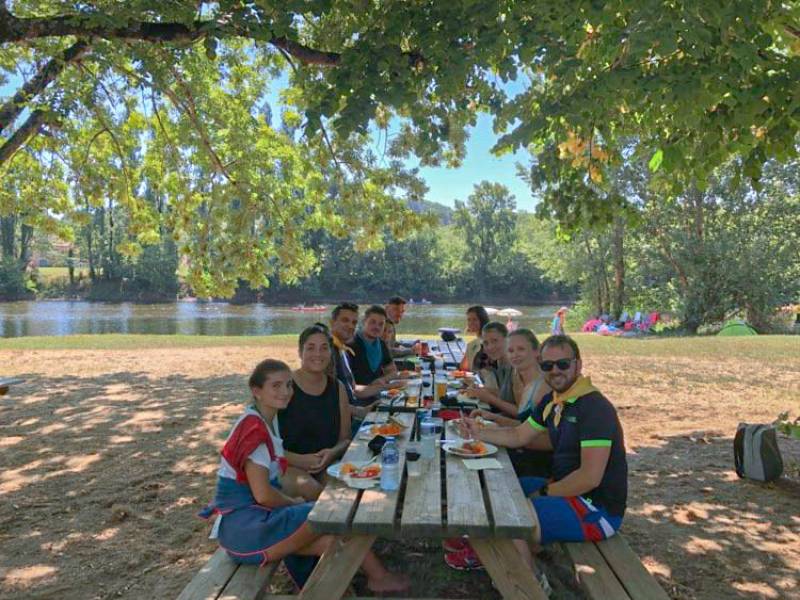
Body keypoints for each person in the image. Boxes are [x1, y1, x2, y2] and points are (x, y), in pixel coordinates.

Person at [199, 358, 408, 592]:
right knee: (334, 512)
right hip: (247, 531)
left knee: (332, 537)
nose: (285, 392)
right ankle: (375, 578)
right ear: (256, 391)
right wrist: (292, 502)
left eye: (288, 385)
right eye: (275, 386)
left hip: (245, 528)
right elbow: (264, 496)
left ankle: (347, 584)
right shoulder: (254, 432)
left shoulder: (262, 419)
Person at [457, 335, 627, 569]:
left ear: (578, 364)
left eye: (563, 364)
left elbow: (589, 478)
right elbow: (519, 435)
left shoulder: (594, 408)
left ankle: (528, 586)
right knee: (493, 492)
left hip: (597, 509)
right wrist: (477, 432)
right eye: (547, 365)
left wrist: (544, 492)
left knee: (506, 516)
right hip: (566, 489)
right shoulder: (554, 400)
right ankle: (527, 557)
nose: (555, 371)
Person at [278, 325, 352, 500]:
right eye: (311, 348)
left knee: (342, 493)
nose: (318, 354)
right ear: (300, 352)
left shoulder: (338, 388)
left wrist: (331, 453)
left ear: (330, 353)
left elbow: (346, 439)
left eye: (324, 348)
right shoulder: (284, 386)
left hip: (326, 465)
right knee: (315, 492)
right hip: (286, 465)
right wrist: (300, 460)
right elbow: (265, 446)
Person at [328, 303, 389, 424]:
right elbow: (327, 400)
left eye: (354, 322)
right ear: (332, 322)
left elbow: (353, 388)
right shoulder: (327, 352)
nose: (350, 326)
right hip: (335, 423)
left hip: (352, 414)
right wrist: (358, 411)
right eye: (345, 320)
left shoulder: (343, 350)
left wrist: (384, 388)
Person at [463, 321, 515, 416]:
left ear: (508, 340)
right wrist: (482, 390)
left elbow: (521, 412)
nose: (490, 347)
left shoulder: (516, 366)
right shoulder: (500, 362)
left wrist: (489, 398)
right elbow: (507, 395)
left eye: (495, 341)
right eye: (486, 343)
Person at [348, 305, 398, 398]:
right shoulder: (351, 344)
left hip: (379, 395)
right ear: (364, 322)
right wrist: (386, 386)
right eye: (372, 322)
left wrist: (383, 379)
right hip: (357, 399)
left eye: (381, 324)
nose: (376, 327)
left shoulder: (381, 344)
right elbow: (351, 388)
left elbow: (393, 371)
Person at [460, 305, 490, 371]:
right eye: (469, 320)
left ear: (482, 320)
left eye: (474, 319)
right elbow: (463, 367)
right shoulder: (472, 344)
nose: (471, 323)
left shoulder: (489, 343)